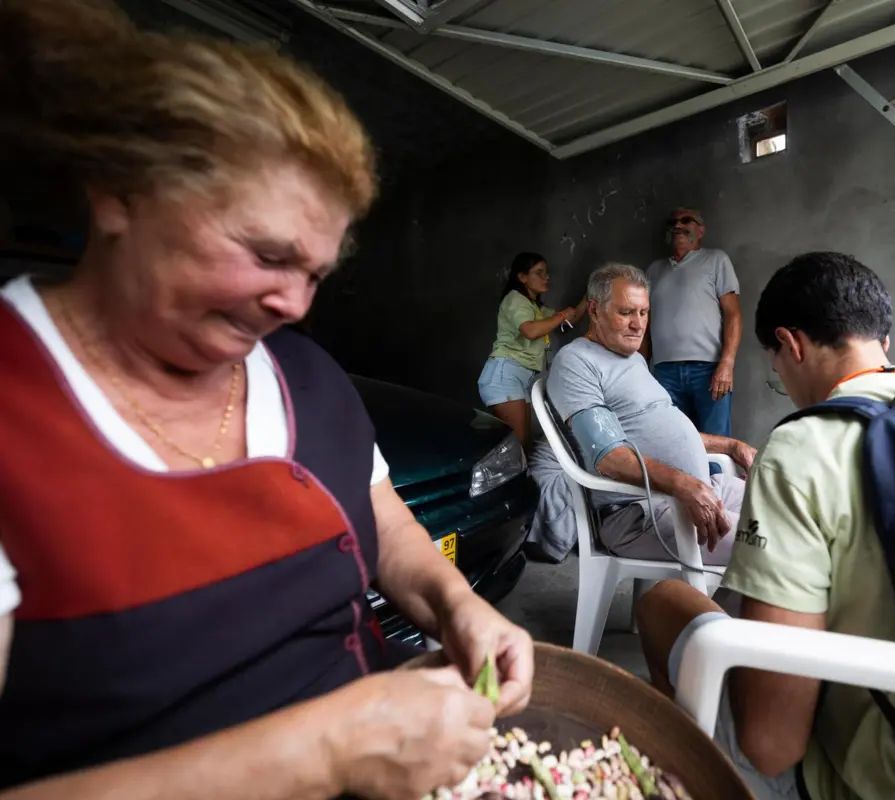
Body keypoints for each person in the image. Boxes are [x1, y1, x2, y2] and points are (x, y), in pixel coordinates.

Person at [0, 3, 533, 799]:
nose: (293, 304)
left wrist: (458, 607)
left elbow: (382, 519)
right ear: (120, 194)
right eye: (266, 255)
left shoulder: (306, 377)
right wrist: (326, 752)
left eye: (313, 274)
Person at [638, 253, 895, 800]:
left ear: (791, 346)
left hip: (872, 776)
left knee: (663, 602)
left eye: (776, 371)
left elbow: (772, 742)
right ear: (882, 341)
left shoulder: (803, 446)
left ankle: (687, 775)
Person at [546, 263, 756, 565]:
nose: (638, 324)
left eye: (643, 313)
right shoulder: (577, 362)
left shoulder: (632, 359)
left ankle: (721, 609)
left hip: (697, 489)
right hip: (641, 511)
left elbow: (655, 429)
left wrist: (731, 446)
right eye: (626, 313)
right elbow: (608, 455)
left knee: (787, 510)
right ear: (593, 311)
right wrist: (683, 484)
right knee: (773, 545)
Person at [643, 208, 743, 437]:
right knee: (672, 443)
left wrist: (726, 364)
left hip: (709, 370)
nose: (679, 225)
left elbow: (733, 314)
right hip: (664, 372)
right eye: (674, 222)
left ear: (701, 230)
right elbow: (644, 324)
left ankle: (715, 476)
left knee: (716, 444)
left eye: (687, 221)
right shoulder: (654, 270)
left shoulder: (716, 259)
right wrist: (640, 369)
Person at [478, 252, 585, 448]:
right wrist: (561, 315)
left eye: (546, 272)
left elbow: (570, 319)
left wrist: (590, 296)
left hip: (517, 377)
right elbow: (530, 330)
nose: (547, 277)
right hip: (504, 376)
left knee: (524, 443)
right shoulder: (515, 299)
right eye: (539, 272)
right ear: (522, 277)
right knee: (518, 445)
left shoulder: (536, 308)